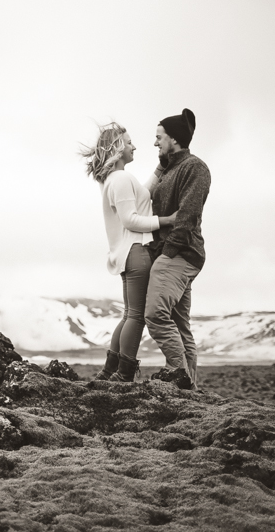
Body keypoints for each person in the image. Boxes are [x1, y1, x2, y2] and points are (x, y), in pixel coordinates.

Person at [82, 122, 176, 382]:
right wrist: (166, 220)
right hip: (137, 251)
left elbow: (142, 194)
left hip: (127, 253)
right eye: (129, 141)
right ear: (118, 147)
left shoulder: (116, 179)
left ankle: (109, 371)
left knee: (129, 314)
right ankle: (124, 375)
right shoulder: (121, 179)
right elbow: (131, 219)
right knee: (136, 316)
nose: (134, 146)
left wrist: (160, 166)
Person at [144, 108, 211, 390]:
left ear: (173, 138)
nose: (155, 143)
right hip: (177, 253)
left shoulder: (195, 167)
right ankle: (191, 391)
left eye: (159, 137)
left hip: (179, 253)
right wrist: (161, 164)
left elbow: (188, 215)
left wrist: (167, 253)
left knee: (155, 315)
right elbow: (143, 197)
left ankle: (180, 379)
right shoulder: (170, 168)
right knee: (180, 326)